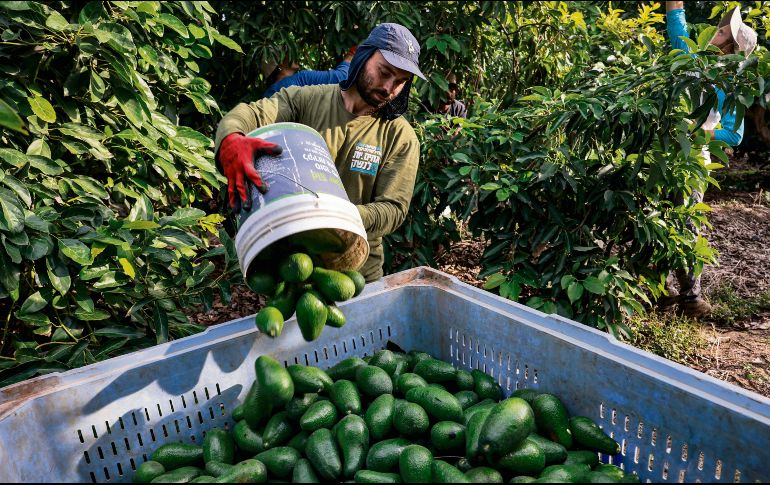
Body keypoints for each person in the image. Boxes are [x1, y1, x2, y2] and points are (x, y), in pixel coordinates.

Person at [215, 23, 425, 283]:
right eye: (384, 72)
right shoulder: (306, 100)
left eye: (401, 82)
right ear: (362, 56)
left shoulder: (399, 136)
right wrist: (232, 139)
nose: (389, 87)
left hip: (358, 275)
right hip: (292, 266)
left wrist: (334, 217)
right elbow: (253, 114)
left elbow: (393, 209)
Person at [660, 2, 757, 318]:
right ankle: (657, 288)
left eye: (720, 32)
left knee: (684, 222)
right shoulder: (692, 62)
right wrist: (675, 6)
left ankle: (691, 299)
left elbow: (733, 135)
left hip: (691, 162)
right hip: (660, 155)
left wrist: (697, 132)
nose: (713, 32)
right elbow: (678, 28)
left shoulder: (726, 87)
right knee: (652, 218)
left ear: (730, 49)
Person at [261, 46, 357, 99]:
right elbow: (342, 77)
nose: (293, 54)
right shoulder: (299, 80)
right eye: (287, 53)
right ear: (280, 64)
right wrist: (352, 54)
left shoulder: (269, 92)